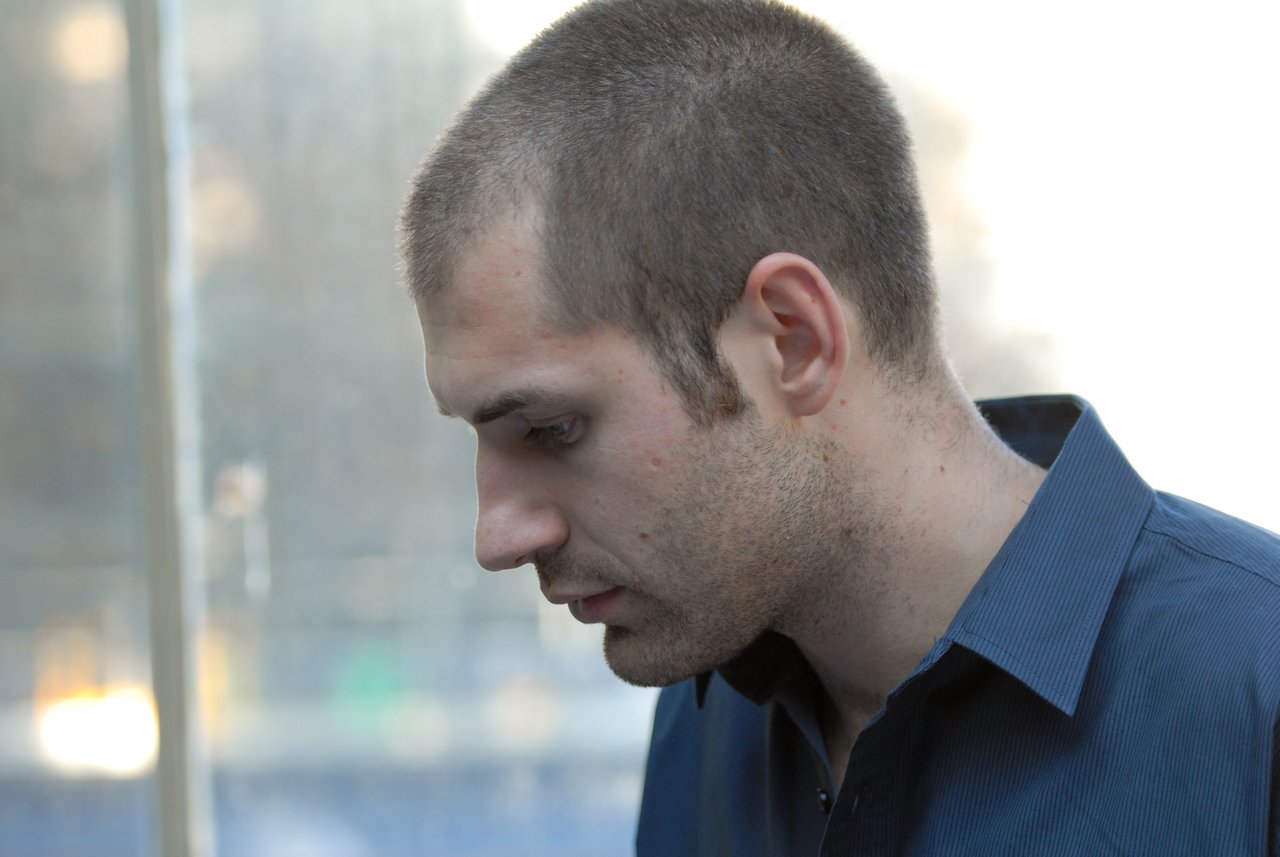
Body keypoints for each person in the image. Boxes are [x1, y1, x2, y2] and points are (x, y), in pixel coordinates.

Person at [398, 0, 1280, 853]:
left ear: (795, 339)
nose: (496, 535)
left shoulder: (1255, 694)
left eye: (552, 429)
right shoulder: (709, 705)